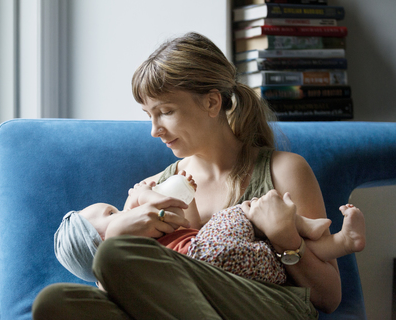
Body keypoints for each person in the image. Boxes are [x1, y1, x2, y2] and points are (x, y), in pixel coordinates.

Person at [33, 32, 344, 319]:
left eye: (165, 111)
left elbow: (328, 297)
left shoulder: (283, 170)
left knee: (116, 254)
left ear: (211, 102)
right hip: (182, 309)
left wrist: (286, 239)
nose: (154, 131)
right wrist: (117, 234)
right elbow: (124, 288)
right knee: (56, 302)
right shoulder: (158, 188)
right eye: (148, 115)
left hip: (267, 306)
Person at [54, 172, 365, 286]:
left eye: (165, 112)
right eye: (110, 212)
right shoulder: (130, 241)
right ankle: (309, 227)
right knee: (249, 209)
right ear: (101, 241)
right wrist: (142, 195)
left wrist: (186, 193)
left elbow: (190, 224)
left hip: (252, 272)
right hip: (207, 264)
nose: (119, 210)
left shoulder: (150, 230)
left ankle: (340, 242)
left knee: (270, 238)